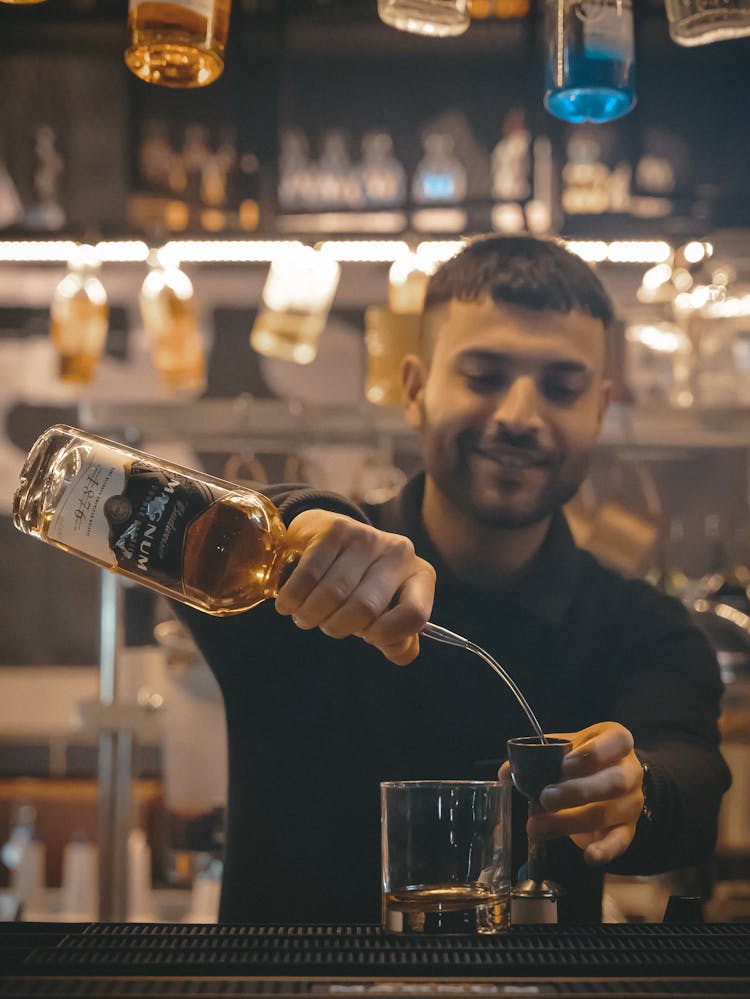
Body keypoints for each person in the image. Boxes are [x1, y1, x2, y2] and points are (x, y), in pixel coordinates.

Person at [177, 234, 730, 925]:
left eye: (562, 387)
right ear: (414, 389)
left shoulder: (645, 630)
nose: (521, 415)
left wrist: (634, 790)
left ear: (600, 407)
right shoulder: (294, 584)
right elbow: (169, 527)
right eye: (484, 374)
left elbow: (693, 786)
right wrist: (298, 519)